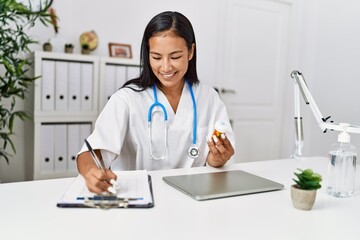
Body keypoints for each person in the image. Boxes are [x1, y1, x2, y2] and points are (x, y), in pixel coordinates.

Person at [77, 11, 235, 194]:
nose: (166, 67)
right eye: (157, 57)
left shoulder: (209, 98)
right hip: (139, 196)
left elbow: (216, 159)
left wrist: (217, 159)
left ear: (191, 51)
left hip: (193, 196)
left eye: (175, 57)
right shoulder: (126, 99)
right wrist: (91, 172)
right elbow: (90, 153)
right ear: (147, 53)